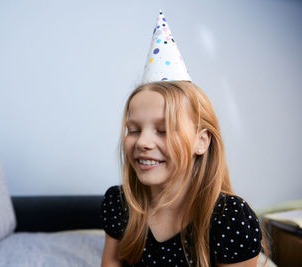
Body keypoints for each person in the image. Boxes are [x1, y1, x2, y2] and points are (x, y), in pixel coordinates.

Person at [101, 11, 268, 267]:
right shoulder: (119, 204)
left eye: (164, 129)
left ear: (201, 141)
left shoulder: (231, 218)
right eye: (134, 129)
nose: (143, 142)